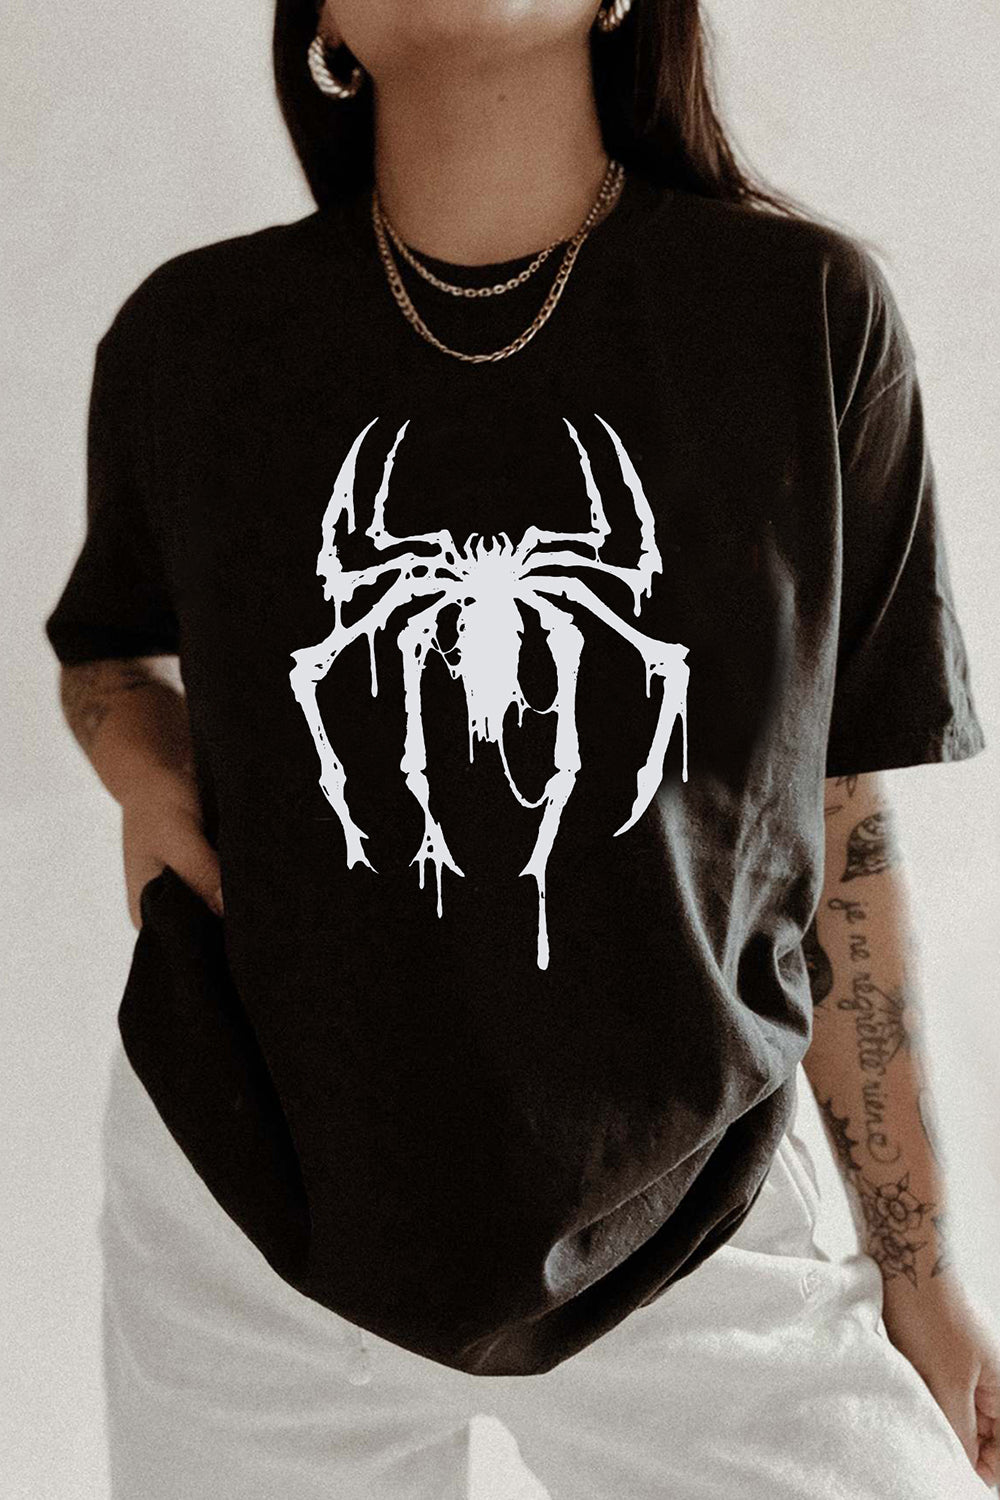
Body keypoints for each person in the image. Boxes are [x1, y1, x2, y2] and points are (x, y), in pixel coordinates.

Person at [44, 1, 998, 1496]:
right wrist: (140, 763)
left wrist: (918, 1276)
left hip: (697, 1206)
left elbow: (838, 816)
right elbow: (105, 643)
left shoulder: (802, 315)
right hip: (245, 1208)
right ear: (323, 24)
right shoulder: (193, 337)